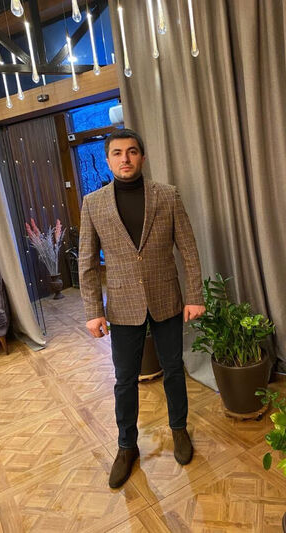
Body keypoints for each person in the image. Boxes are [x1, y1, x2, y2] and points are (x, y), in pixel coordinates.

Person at [78, 128, 205, 489]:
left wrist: (195, 295)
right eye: (117, 153)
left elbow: (189, 249)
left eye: (132, 152)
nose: (125, 159)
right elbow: (86, 262)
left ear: (142, 157)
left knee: (174, 369)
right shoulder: (93, 203)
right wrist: (93, 310)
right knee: (124, 379)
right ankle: (126, 446)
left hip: (166, 297)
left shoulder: (167, 195)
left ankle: (179, 429)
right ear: (108, 160)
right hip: (122, 304)